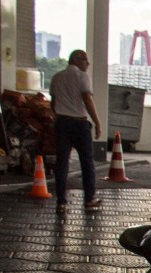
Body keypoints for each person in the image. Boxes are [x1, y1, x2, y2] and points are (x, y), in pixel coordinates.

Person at [50, 49, 102, 213]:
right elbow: (87, 99)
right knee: (87, 162)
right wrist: (97, 122)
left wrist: (58, 115)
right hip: (79, 123)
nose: (88, 64)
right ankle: (89, 199)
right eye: (86, 60)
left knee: (62, 163)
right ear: (76, 60)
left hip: (62, 123)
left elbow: (53, 101)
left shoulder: (57, 77)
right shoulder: (82, 76)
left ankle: (61, 202)